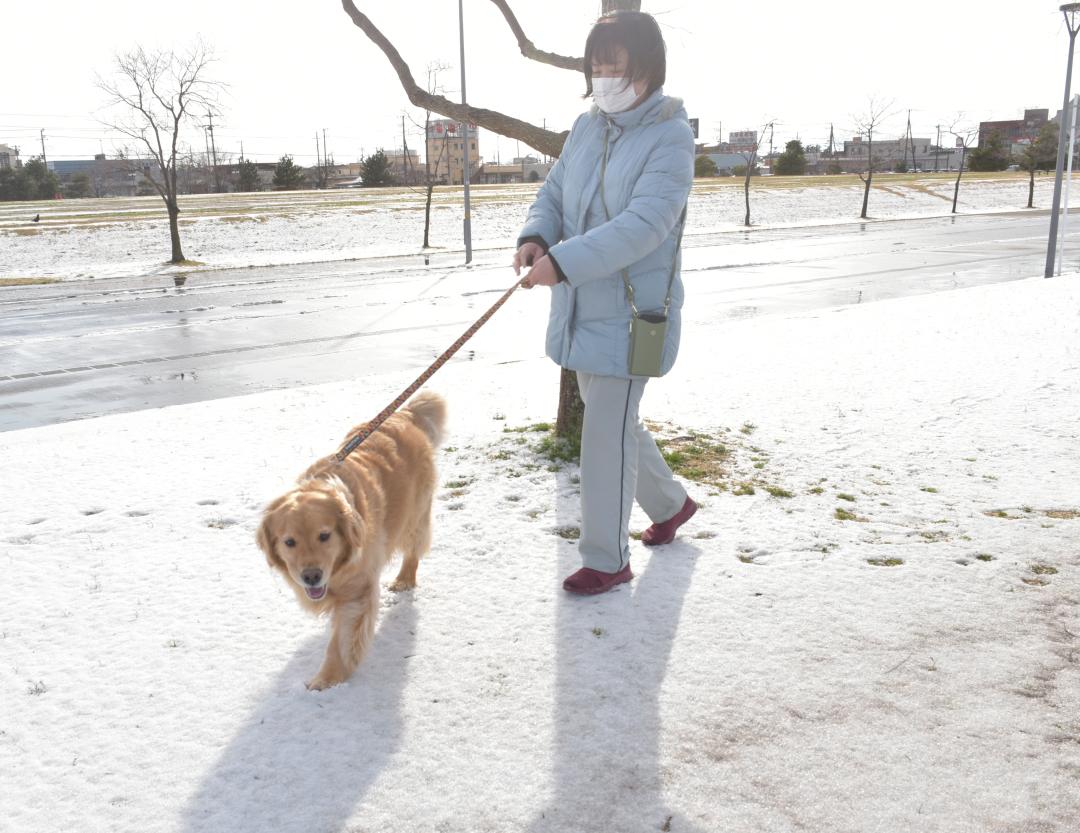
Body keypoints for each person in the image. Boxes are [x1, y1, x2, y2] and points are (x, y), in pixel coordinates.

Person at [514, 10, 698, 596]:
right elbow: (554, 193)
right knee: (612, 419)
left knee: (604, 433)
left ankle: (606, 558)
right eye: (596, 64)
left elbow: (644, 225)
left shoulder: (671, 135)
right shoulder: (586, 127)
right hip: (581, 306)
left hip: (630, 314)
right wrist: (537, 236)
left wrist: (562, 263)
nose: (603, 75)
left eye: (614, 63)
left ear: (647, 67)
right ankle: (670, 506)